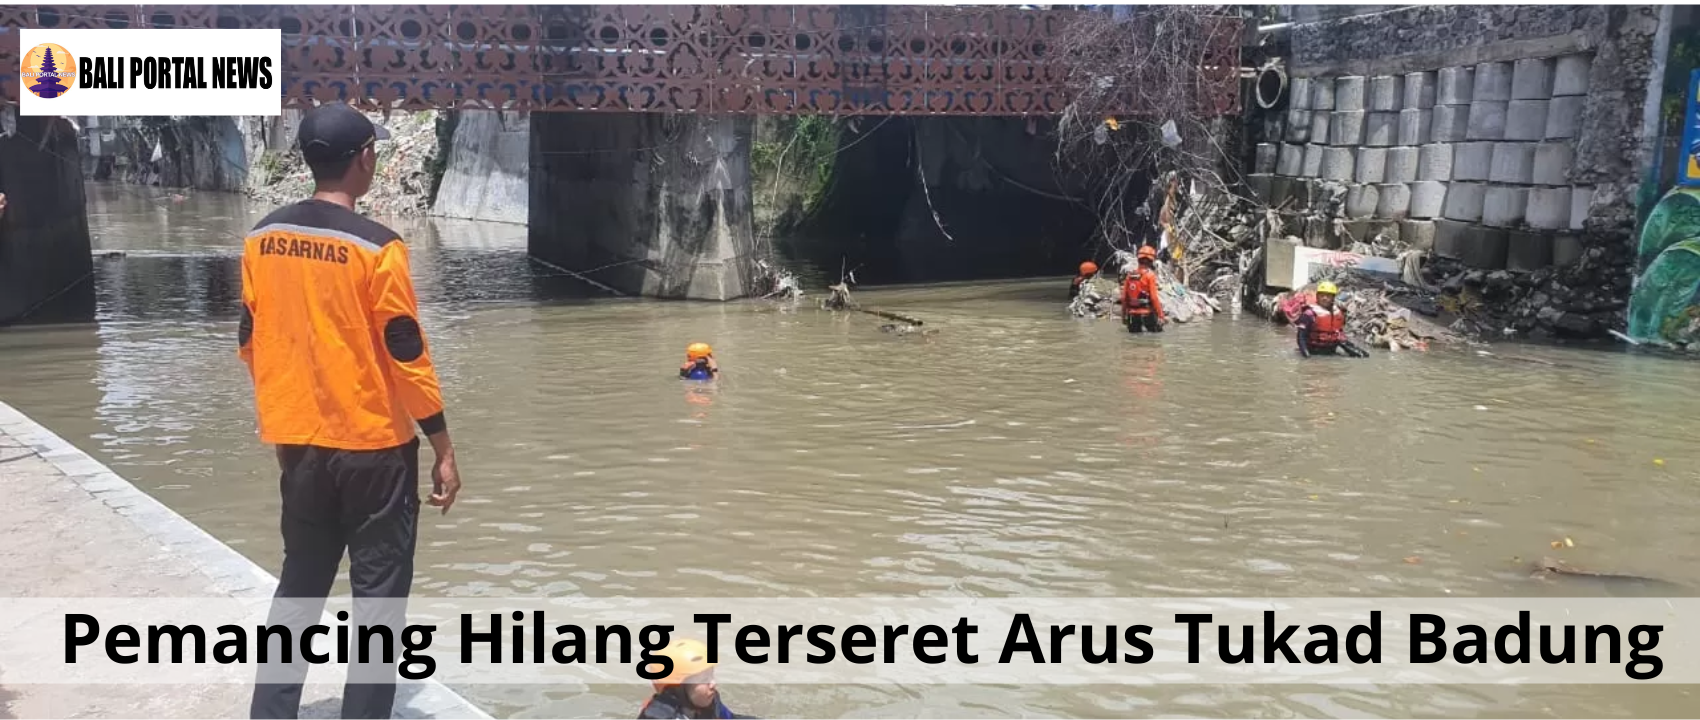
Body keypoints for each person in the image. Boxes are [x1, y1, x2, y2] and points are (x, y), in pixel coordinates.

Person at [239, 102, 462, 719]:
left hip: (300, 446)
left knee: (300, 587)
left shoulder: (261, 238)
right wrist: (442, 445)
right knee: (379, 602)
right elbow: (405, 350)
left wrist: (285, 421)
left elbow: (251, 340)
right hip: (374, 451)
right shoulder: (378, 247)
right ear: (364, 159)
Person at [639, 638, 754, 719]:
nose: (713, 683)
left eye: (711, 675)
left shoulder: (708, 701)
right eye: (703, 680)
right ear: (677, 689)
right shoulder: (657, 717)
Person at [1295, 282, 1367, 357]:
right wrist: (1306, 355)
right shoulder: (1309, 313)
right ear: (1317, 296)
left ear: (1333, 297)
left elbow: (1339, 334)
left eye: (1328, 296)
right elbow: (1301, 336)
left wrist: (1353, 349)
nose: (1324, 298)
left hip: (1331, 350)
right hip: (1313, 351)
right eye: (1322, 295)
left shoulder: (1338, 312)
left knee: (1363, 356)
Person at [1121, 246, 1164, 333]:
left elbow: (1124, 298)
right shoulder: (1150, 275)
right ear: (1151, 261)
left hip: (1132, 316)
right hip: (1147, 315)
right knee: (1154, 339)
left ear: (1138, 259)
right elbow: (1154, 298)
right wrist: (1161, 315)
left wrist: (1123, 315)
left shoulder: (1130, 276)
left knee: (1133, 339)